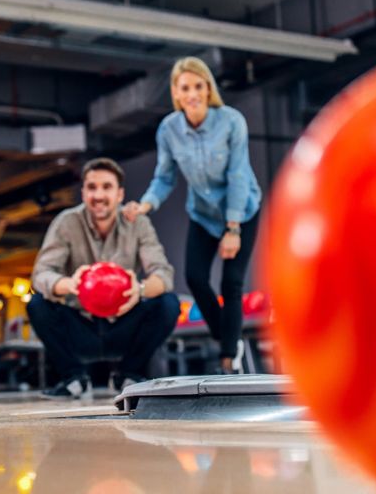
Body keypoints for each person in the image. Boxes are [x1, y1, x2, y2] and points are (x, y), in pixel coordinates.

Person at [123, 56, 262, 374]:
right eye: (185, 87)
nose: (193, 94)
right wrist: (145, 205)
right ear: (176, 92)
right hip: (202, 214)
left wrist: (233, 228)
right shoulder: (169, 129)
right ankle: (227, 335)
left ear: (208, 88)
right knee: (196, 278)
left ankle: (230, 355)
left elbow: (238, 175)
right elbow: (165, 177)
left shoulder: (230, 121)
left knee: (231, 282)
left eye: (199, 86)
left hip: (242, 211)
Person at [27, 158, 180, 398]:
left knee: (168, 303)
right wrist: (69, 284)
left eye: (106, 187)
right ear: (83, 192)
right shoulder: (66, 222)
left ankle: (129, 375)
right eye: (91, 187)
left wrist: (138, 290)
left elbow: (163, 274)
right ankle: (73, 377)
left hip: (124, 325)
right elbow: (40, 274)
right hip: (81, 327)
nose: (98, 195)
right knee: (37, 304)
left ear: (120, 194)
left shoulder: (138, 223)